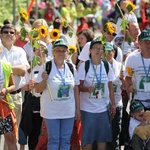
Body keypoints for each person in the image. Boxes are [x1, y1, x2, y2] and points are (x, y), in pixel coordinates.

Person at [35, 39, 80, 150]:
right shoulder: (47, 67)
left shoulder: (71, 67)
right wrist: (44, 80)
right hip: (51, 112)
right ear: (53, 52)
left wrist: (78, 109)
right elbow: (37, 89)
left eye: (63, 51)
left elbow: (76, 89)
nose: (61, 53)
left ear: (67, 53)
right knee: (53, 140)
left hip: (68, 111)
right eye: (58, 50)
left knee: (65, 141)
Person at [78, 38, 116, 150]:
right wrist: (86, 89)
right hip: (87, 109)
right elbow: (78, 87)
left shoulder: (106, 65)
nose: (98, 51)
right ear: (90, 50)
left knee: (102, 138)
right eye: (95, 48)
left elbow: (110, 86)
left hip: (103, 109)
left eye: (100, 48)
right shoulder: (85, 66)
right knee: (88, 140)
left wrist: (113, 104)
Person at [0, 24, 30, 150]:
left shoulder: (20, 51)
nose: (9, 34)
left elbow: (23, 70)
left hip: (14, 97)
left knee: (11, 136)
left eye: (12, 32)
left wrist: (4, 68)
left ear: (16, 35)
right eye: (5, 31)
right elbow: (19, 69)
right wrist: (14, 69)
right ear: (0, 35)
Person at [19, 41, 48, 150]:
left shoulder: (51, 64)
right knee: (34, 133)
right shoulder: (30, 67)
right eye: (37, 49)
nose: (40, 51)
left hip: (49, 104)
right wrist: (28, 86)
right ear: (34, 52)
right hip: (35, 104)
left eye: (43, 48)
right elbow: (23, 85)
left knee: (46, 134)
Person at [104, 42, 123, 150]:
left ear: (114, 52)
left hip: (117, 103)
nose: (107, 53)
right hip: (103, 105)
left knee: (115, 134)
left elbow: (125, 86)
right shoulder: (99, 66)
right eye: (105, 51)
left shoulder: (120, 66)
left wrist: (122, 78)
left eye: (109, 51)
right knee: (103, 135)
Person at [124, 29, 150, 110]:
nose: (148, 45)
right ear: (140, 43)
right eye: (146, 42)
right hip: (138, 102)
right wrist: (130, 86)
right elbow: (127, 78)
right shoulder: (132, 58)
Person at [0, 45, 17, 150]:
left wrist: (6, 90)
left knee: (10, 138)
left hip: (4, 106)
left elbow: (13, 85)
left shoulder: (6, 66)